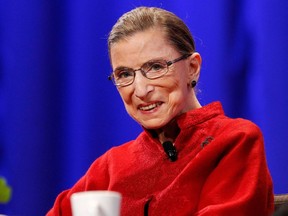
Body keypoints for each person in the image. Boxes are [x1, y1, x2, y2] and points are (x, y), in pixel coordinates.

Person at [47, 6, 274, 215]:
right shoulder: (110, 167)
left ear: (192, 68)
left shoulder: (235, 141)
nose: (141, 90)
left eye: (155, 67)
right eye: (124, 74)